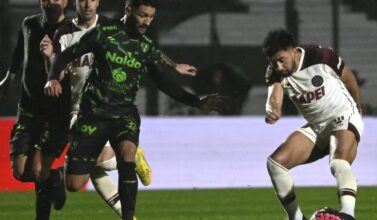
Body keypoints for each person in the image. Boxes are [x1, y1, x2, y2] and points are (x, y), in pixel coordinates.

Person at [44, 0, 229, 219]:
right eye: (142, 15)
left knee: (127, 159)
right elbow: (67, 55)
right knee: (74, 184)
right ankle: (70, 173)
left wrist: (196, 102)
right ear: (128, 10)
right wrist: (53, 77)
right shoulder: (104, 33)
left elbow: (160, 81)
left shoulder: (144, 45)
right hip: (93, 114)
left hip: (124, 115)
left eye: (151, 17)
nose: (146, 22)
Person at [262, 29, 363, 220]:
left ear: (293, 51)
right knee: (275, 164)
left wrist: (357, 105)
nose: (278, 66)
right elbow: (273, 98)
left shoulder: (320, 56)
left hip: (343, 116)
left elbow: (348, 78)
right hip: (317, 126)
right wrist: (272, 111)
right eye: (273, 61)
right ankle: (296, 218)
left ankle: (347, 215)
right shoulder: (275, 72)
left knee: (339, 162)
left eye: (281, 59)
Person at [0, 0, 70, 219]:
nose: (52, 2)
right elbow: (19, 54)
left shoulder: (71, 30)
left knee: (39, 170)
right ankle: (56, 176)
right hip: (28, 109)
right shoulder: (29, 24)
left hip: (54, 112)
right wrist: (8, 79)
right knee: (20, 172)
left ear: (66, 2)